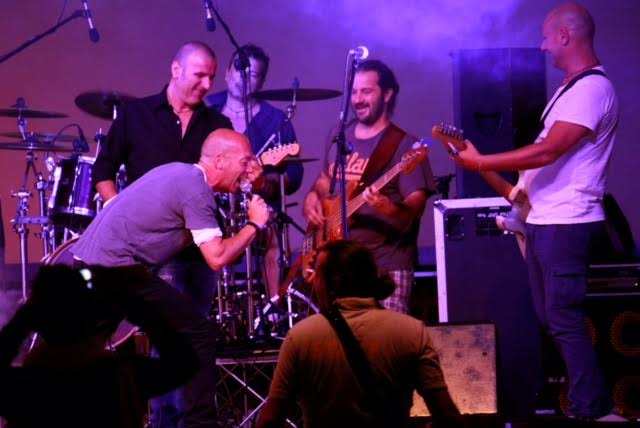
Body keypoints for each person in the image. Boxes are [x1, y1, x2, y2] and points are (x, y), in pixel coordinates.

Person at [453, 2, 623, 422]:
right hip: (546, 221)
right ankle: (592, 403)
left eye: (547, 37)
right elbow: (533, 175)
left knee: (564, 319)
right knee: (553, 319)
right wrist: (478, 163)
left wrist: (482, 162)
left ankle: (590, 409)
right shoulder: (570, 90)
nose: (543, 47)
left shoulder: (592, 89)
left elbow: (549, 150)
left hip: (567, 223)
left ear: (565, 35)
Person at [73, 129, 271, 428]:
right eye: (244, 162)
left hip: (91, 263)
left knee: (82, 350)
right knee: (199, 334)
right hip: (116, 268)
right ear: (219, 160)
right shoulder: (196, 189)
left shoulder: (179, 172)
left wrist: (251, 186)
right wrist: (255, 224)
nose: (248, 169)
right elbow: (217, 257)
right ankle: (200, 424)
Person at [91, 41, 232, 427]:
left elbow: (226, 179)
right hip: (152, 249)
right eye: (199, 75)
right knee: (170, 336)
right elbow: (103, 170)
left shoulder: (217, 125)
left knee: (193, 334)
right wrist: (120, 213)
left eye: (211, 77)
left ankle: (188, 418)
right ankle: (167, 421)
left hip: (199, 247)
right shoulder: (135, 115)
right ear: (175, 70)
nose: (207, 84)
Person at [255, 240, 463, 428]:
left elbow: (270, 420)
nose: (313, 283)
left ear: (332, 285)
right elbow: (447, 415)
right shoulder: (412, 332)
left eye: (317, 275)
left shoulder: (300, 337)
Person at [302, 59, 436, 314]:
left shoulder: (404, 145)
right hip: (341, 267)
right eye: (353, 92)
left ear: (387, 94)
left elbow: (415, 207)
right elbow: (324, 180)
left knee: (384, 336)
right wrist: (312, 196)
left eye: (366, 91)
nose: (357, 100)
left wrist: (388, 208)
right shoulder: (338, 135)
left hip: (385, 266)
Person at [0, 264, 199, 428]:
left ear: (38, 319)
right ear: (95, 317)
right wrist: (130, 302)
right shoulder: (123, 377)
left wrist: (26, 316)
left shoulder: (24, 386)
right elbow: (185, 362)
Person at [207, 43, 304, 301]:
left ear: (261, 82)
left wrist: (265, 182)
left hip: (256, 208)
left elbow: (294, 176)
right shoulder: (207, 113)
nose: (243, 78)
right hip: (213, 208)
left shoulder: (276, 120)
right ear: (227, 72)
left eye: (252, 74)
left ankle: (273, 306)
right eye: (239, 69)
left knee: (271, 231)